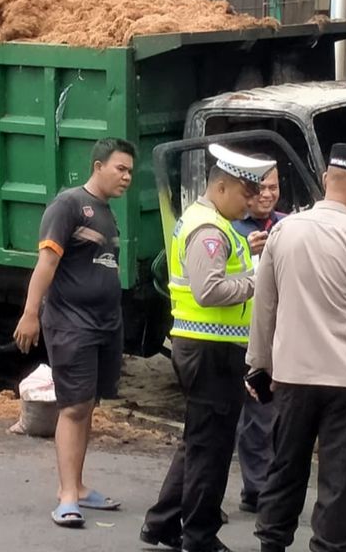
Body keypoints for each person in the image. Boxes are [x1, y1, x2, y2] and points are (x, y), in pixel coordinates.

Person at [248, 143, 346, 552]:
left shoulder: (284, 231)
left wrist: (258, 364)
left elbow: (265, 306)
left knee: (284, 467)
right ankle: (329, 546)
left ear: (326, 181)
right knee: (343, 476)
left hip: (292, 377)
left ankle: (272, 544)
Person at [141, 144, 273, 552]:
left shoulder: (210, 222)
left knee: (198, 441)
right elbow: (210, 288)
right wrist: (259, 280)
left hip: (205, 348)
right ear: (221, 186)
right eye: (245, 195)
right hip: (210, 351)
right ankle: (199, 536)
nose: (252, 202)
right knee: (210, 451)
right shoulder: (210, 230)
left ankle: (162, 522)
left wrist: (247, 254)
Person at [12, 137, 136, 529]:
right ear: (98, 166)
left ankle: (80, 487)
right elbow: (47, 262)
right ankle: (67, 496)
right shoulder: (68, 206)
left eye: (131, 170)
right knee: (74, 406)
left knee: (89, 404)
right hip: (71, 323)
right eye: (121, 168)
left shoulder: (106, 212)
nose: (127, 177)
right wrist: (31, 313)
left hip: (104, 325)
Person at [231, 159, 287, 515]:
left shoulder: (286, 225)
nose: (267, 195)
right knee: (246, 419)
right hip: (235, 338)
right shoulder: (228, 228)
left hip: (277, 336)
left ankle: (263, 486)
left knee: (269, 416)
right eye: (260, 188)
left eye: (274, 187)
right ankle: (255, 489)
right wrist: (244, 251)